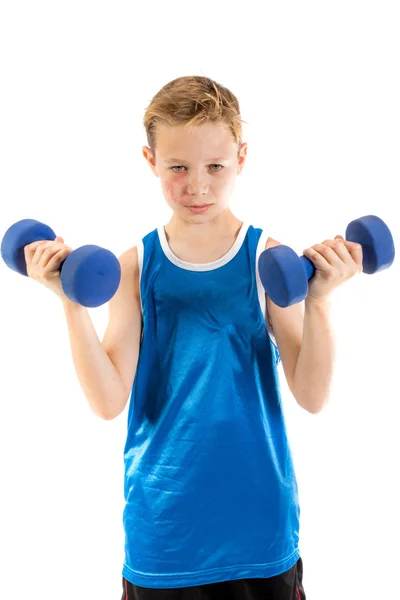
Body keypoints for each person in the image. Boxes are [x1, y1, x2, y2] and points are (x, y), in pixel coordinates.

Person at [24, 75, 362, 600]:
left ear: (242, 157)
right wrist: (71, 304)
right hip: (165, 530)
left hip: (258, 524)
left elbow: (312, 396)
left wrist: (318, 302)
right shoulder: (133, 268)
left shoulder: (267, 261)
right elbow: (108, 401)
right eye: (177, 167)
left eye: (215, 167)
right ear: (150, 160)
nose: (197, 185)